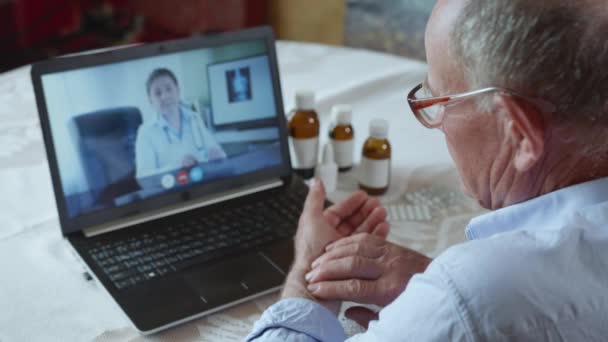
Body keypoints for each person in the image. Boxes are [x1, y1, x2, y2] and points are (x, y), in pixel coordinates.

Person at [247, 0, 608, 340]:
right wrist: (432, 286)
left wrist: (305, 281)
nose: (436, 124)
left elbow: (490, 306)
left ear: (518, 132)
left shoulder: (473, 297)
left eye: (438, 101)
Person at [135, 68, 226, 179]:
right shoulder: (145, 132)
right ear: (150, 100)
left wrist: (218, 155)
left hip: (202, 182)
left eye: (169, 89)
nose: (164, 96)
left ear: (178, 91)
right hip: (171, 191)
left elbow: (215, 150)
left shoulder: (195, 118)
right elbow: (144, 177)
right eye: (158, 93)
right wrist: (178, 167)